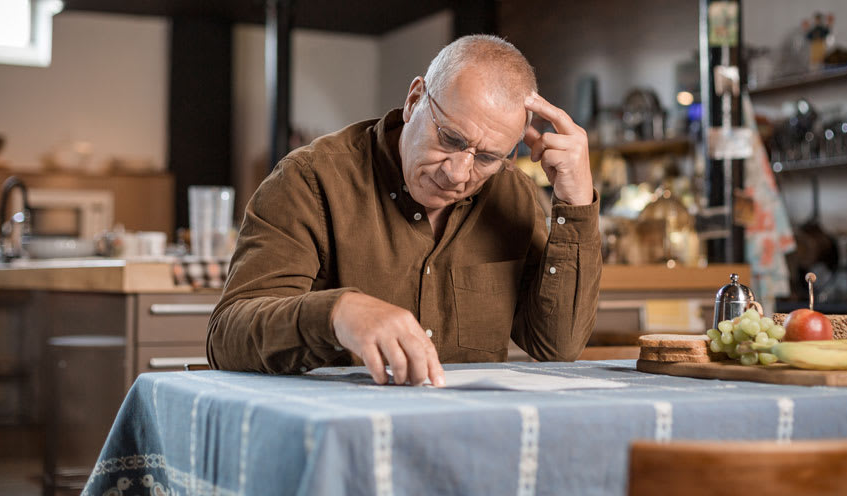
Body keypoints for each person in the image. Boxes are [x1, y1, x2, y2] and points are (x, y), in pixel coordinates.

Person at [206, 34, 601, 387]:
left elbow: (556, 346)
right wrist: (337, 313)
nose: (457, 172)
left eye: (486, 157)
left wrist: (577, 202)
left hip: (467, 438)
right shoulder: (309, 180)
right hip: (336, 438)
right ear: (414, 101)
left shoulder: (512, 194)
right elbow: (227, 338)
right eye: (450, 138)